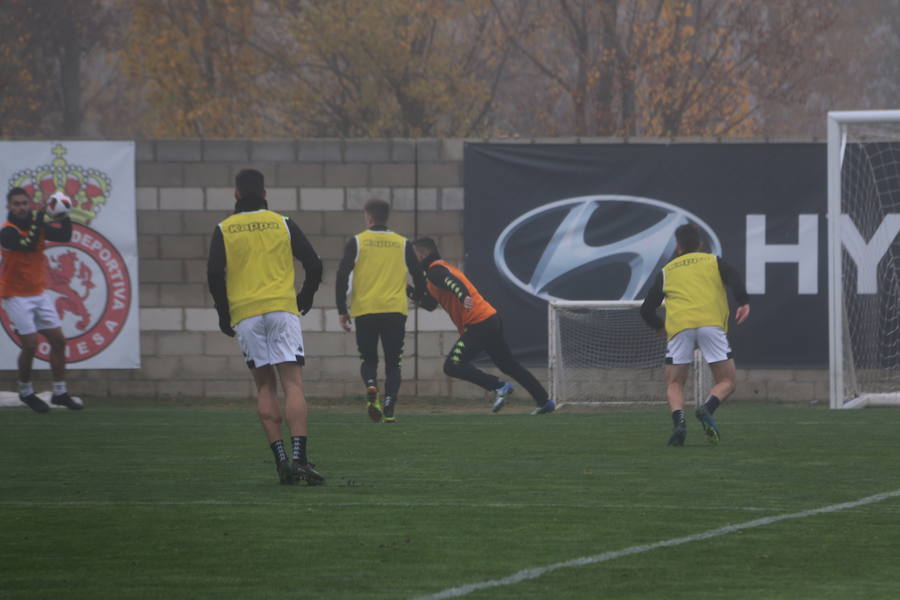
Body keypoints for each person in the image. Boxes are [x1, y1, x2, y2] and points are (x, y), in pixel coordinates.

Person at [207, 169, 325, 485]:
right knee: (293, 384)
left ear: (236, 194)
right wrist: (305, 297)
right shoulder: (282, 223)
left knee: (264, 387)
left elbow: (215, 274)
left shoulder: (224, 229)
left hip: (246, 314)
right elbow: (314, 264)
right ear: (265, 193)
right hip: (281, 309)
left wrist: (223, 314)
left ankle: (282, 461)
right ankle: (301, 459)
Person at [409, 236, 555, 415]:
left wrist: (463, 296)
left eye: (414, 254)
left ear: (424, 254)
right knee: (508, 364)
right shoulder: (433, 275)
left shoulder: (436, 271)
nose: (412, 258)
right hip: (490, 319)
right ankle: (544, 401)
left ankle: (499, 386)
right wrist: (407, 290)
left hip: (479, 324)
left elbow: (453, 283)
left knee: (452, 365)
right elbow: (430, 305)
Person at [639, 223, 750, 446]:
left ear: (678, 246)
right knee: (727, 380)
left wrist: (660, 327)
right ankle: (707, 409)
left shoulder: (667, 271)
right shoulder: (713, 261)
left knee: (674, 383)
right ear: (700, 243)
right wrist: (743, 301)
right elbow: (735, 278)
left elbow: (646, 309)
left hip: (680, 328)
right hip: (711, 324)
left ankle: (679, 423)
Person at [335, 198, 426, 424]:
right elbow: (419, 274)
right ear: (386, 217)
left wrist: (341, 309)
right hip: (395, 310)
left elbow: (342, 275)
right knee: (394, 363)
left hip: (365, 310)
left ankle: (372, 387)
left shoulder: (358, 241)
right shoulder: (402, 243)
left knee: (369, 360)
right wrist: (419, 296)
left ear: (368, 216)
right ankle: (389, 406)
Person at [0, 187, 79, 413]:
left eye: (25, 203)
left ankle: (60, 392)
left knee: (58, 341)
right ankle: (25, 391)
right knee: (30, 345)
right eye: (17, 204)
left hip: (37, 292)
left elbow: (65, 236)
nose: (21, 207)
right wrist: (39, 216)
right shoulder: (7, 231)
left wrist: (63, 215)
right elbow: (29, 244)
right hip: (14, 295)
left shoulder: (36, 224)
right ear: (9, 207)